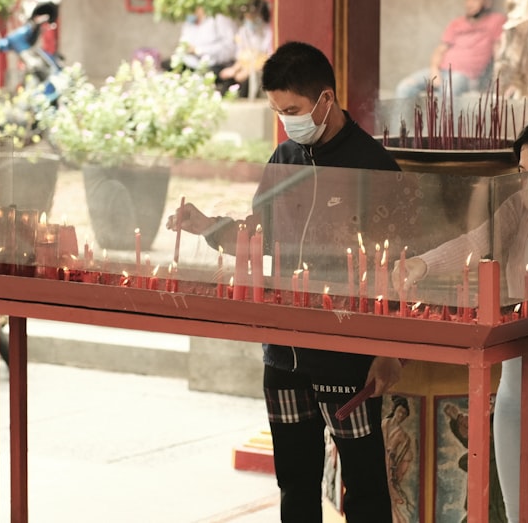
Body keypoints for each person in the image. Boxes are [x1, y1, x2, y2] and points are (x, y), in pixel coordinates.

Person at [168, 40, 403, 522]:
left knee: (364, 486)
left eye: (293, 109)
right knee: (294, 481)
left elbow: (396, 264)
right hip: (283, 351)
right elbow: (259, 236)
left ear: (326, 99)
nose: (287, 121)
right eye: (278, 110)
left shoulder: (374, 166)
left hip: (346, 351)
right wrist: (206, 225)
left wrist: (388, 348)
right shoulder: (284, 159)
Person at [394, 112, 528, 523]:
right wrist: (422, 265)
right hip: (519, 377)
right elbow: (476, 240)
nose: (526, 183)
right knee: (522, 511)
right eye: (521, 172)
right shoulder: (521, 209)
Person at [394, 0, 507, 102]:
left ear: (487, 2)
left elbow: (498, 51)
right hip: (441, 70)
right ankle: (402, 121)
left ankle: (443, 121)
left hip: (466, 76)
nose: (469, 4)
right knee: (404, 87)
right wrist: (434, 70)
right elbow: (440, 50)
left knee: (448, 90)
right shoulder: (457, 23)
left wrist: (500, 81)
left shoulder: (497, 21)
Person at [217, 0, 273, 97]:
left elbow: (268, 58)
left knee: (247, 84)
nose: (249, 17)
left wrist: (249, 71)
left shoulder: (268, 32)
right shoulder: (244, 31)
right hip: (244, 68)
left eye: (252, 13)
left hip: (259, 70)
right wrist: (233, 70)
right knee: (227, 81)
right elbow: (241, 55)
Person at [165, 6, 236, 76]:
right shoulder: (189, 22)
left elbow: (228, 47)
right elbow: (183, 40)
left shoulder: (217, 19)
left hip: (212, 64)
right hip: (189, 62)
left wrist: (198, 50)